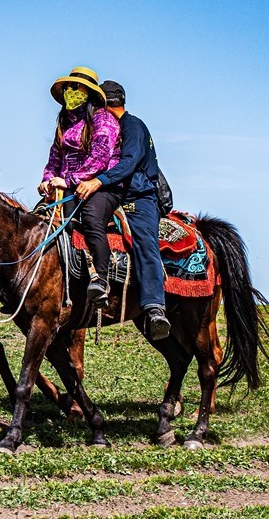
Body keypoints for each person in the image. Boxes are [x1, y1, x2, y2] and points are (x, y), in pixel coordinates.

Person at [75, 80, 170, 340]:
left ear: (104, 104)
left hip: (138, 197)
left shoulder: (133, 127)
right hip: (113, 192)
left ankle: (154, 308)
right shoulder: (110, 129)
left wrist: (97, 181)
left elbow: (128, 164)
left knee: (144, 242)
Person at [38, 67, 120, 308]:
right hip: (68, 186)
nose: (70, 92)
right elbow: (54, 157)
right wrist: (47, 178)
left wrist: (70, 180)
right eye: (68, 88)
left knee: (92, 219)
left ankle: (101, 279)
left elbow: (100, 157)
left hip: (100, 183)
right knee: (39, 222)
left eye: (76, 87)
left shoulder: (103, 119)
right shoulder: (63, 122)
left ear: (89, 92)